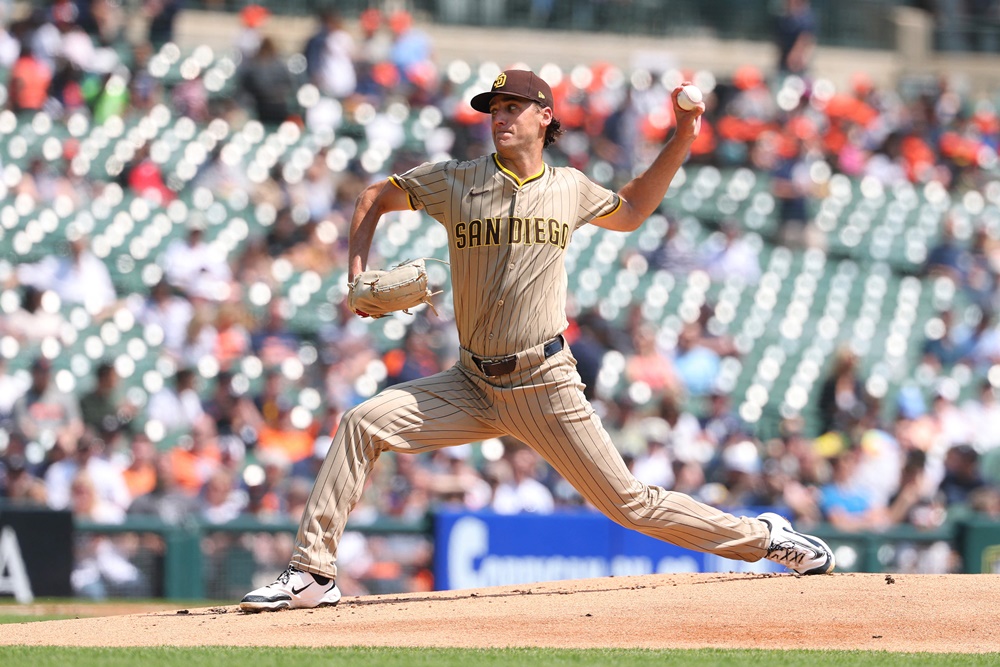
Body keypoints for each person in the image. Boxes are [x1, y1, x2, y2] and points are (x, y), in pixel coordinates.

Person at [240, 69, 835, 612]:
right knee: (361, 423)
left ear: (545, 116)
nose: (499, 117)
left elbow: (631, 210)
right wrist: (356, 277)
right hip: (471, 382)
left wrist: (682, 137)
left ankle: (766, 538)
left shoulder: (569, 187)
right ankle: (312, 573)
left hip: (544, 383)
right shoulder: (457, 180)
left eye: (513, 106)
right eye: (494, 108)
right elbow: (374, 197)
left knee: (630, 504)